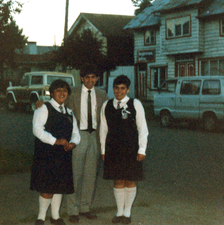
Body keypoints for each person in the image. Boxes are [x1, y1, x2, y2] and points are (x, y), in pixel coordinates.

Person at [30, 79, 80, 225]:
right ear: (52, 93)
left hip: (63, 155)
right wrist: (55, 141)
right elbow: (37, 129)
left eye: (64, 90)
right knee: (46, 187)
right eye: (58, 90)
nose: (62, 93)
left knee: (59, 186)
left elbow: (76, 133)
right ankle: (41, 217)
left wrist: (73, 143)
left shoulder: (69, 112)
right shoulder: (44, 108)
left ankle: (55, 216)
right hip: (46, 154)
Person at [100, 75, 149, 224]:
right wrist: (103, 150)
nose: (119, 91)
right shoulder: (107, 105)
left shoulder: (135, 104)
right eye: (116, 88)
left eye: (122, 88)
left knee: (130, 180)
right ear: (113, 89)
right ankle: (119, 212)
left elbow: (143, 129)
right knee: (118, 180)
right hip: (113, 149)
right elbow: (103, 129)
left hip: (131, 149)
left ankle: (127, 213)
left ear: (127, 89)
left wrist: (142, 149)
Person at [65, 66, 109, 223]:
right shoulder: (73, 92)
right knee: (75, 174)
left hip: (95, 136)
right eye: (87, 77)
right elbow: (59, 105)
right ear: (82, 78)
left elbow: (107, 115)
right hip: (79, 135)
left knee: (91, 174)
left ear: (97, 79)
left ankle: (85, 208)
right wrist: (41, 103)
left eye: (94, 77)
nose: (90, 80)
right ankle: (73, 210)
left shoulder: (102, 94)